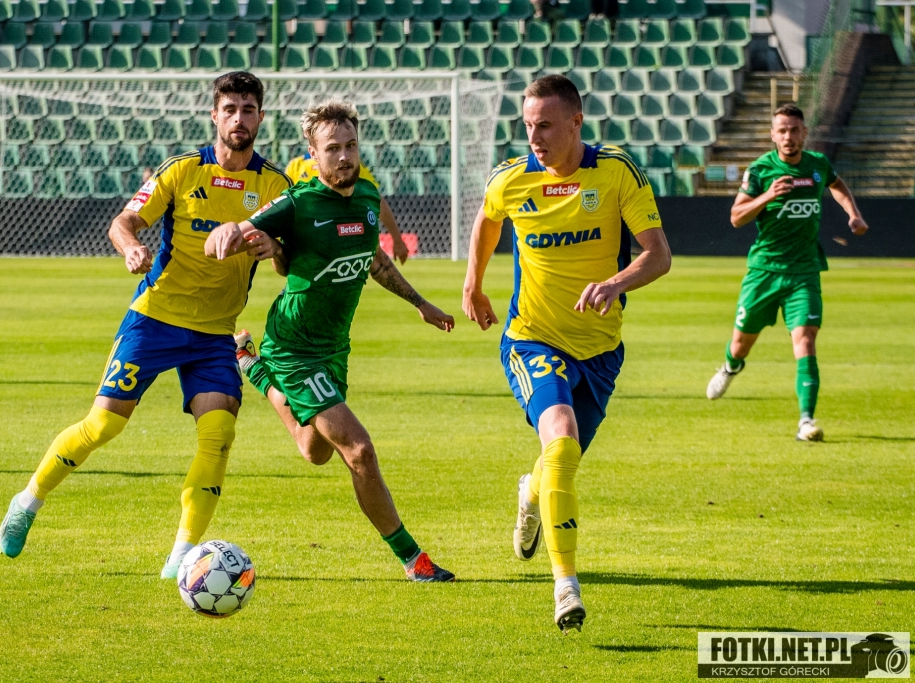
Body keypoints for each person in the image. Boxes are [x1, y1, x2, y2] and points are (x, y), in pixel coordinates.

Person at [0, 72, 292, 579]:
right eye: (230, 109)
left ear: (261, 118)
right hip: (155, 319)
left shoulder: (275, 186)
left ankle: (183, 556)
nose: (239, 119)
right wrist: (132, 247)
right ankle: (27, 501)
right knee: (103, 425)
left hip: (215, 333)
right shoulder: (182, 170)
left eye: (248, 109)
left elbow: (289, 260)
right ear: (214, 115)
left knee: (219, 432)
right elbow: (123, 222)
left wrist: (274, 247)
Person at [206, 99, 457, 582]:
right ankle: (414, 560)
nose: (344, 157)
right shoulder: (299, 202)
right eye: (333, 149)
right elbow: (247, 227)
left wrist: (420, 302)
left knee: (315, 450)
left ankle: (252, 367)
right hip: (294, 347)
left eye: (350, 146)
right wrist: (229, 233)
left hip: (333, 347)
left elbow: (373, 259)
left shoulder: (366, 196)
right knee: (358, 449)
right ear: (313, 153)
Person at [461, 75, 671, 631]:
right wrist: (473, 284)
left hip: (600, 350)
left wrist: (615, 283)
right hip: (532, 337)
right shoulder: (512, 178)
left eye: (546, 126)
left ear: (577, 123)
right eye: (529, 126)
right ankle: (565, 585)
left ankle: (531, 493)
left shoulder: (616, 171)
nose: (535, 137)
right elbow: (488, 218)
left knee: (561, 461)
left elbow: (659, 255)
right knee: (561, 434)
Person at [706, 103, 868, 442]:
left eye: (794, 130)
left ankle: (806, 421)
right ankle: (730, 367)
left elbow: (837, 184)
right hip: (764, 270)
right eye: (782, 130)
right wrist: (768, 195)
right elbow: (736, 217)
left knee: (805, 340)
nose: (788, 136)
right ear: (773, 135)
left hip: (804, 271)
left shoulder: (818, 165)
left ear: (804, 133)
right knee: (740, 344)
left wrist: (853, 214)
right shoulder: (761, 169)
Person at [284, 152, 410, 263]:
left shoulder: (349, 165)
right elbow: (285, 206)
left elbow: (376, 199)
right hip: (308, 246)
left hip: (344, 238)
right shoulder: (295, 166)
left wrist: (397, 240)